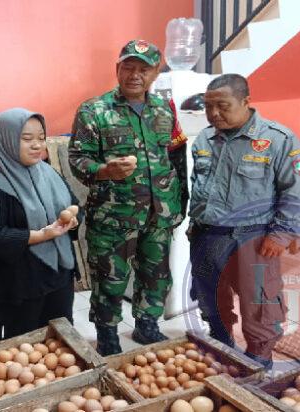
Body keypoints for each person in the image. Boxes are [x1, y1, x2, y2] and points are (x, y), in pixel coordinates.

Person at [69, 40, 188, 355]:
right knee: (109, 279)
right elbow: (78, 161)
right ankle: (107, 333)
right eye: (129, 67)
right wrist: (106, 170)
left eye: (144, 69)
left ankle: (147, 325)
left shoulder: (165, 110)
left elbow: (177, 159)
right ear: (117, 69)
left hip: (158, 214)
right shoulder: (94, 110)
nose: (136, 75)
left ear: (155, 73)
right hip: (113, 217)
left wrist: (179, 206)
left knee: (156, 275)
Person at [187, 74, 300, 368]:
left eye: (223, 105)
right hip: (208, 235)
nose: (214, 113)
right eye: (208, 106)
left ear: (245, 102)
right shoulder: (205, 138)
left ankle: (258, 358)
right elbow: (198, 187)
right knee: (210, 295)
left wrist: (281, 234)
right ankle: (220, 343)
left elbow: (296, 191)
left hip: (254, 238)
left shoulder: (277, 139)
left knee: (259, 304)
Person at [0, 108, 81, 341]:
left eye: (41, 137)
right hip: (20, 283)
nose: (37, 145)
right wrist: (42, 235)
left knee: (62, 337)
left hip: (59, 275)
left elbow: (72, 203)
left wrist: (73, 218)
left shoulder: (47, 173)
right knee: (25, 347)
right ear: (4, 141)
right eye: (26, 139)